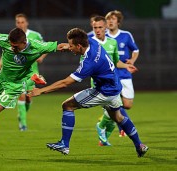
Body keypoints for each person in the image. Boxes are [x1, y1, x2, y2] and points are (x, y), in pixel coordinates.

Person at [29, 28, 148, 157]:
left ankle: (64, 144)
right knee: (118, 117)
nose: (71, 48)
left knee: (67, 105)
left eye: (72, 46)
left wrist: (41, 91)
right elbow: (78, 44)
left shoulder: (89, 63)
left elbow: (65, 83)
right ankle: (140, 145)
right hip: (115, 88)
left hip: (103, 92)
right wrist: (67, 45)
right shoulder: (93, 42)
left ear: (79, 46)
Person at [90, 16, 138, 146]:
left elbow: (116, 62)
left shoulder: (112, 43)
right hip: (99, 83)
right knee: (114, 110)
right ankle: (102, 128)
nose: (98, 30)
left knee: (114, 111)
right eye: (95, 28)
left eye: (100, 27)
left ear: (105, 28)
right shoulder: (90, 42)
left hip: (113, 81)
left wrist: (127, 65)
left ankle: (103, 138)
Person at [0, 13, 47, 131]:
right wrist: (1, 61)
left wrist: (42, 57)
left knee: (29, 97)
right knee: (21, 96)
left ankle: (22, 114)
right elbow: (7, 51)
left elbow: (45, 47)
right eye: (18, 22)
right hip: (19, 73)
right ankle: (23, 124)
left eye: (22, 22)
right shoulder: (13, 36)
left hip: (32, 72)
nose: (20, 24)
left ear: (27, 23)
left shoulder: (35, 35)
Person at [105, 10, 140, 137]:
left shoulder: (126, 35)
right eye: (108, 19)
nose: (110, 21)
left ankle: (111, 116)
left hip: (125, 72)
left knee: (127, 105)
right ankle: (122, 126)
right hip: (111, 74)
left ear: (118, 22)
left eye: (113, 19)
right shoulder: (103, 36)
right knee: (115, 102)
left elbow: (135, 50)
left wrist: (132, 60)